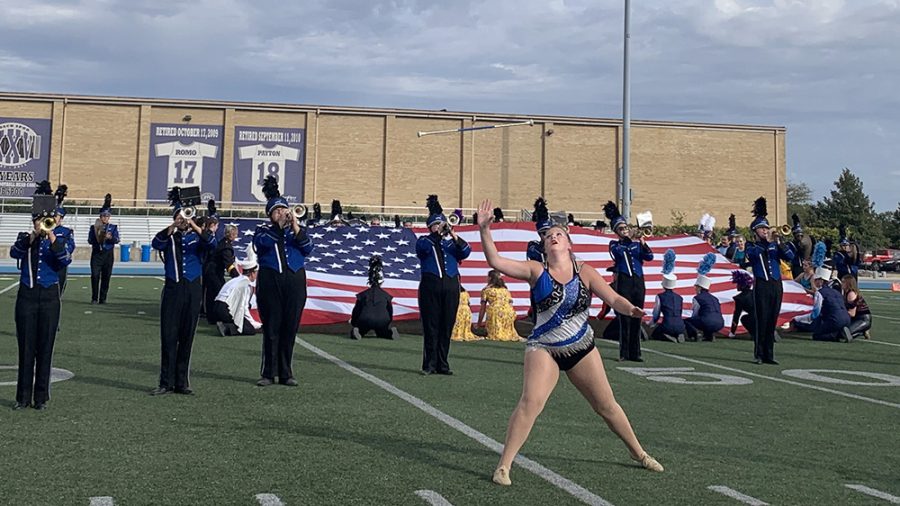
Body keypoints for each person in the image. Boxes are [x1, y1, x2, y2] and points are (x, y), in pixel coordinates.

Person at [474, 199, 663, 486]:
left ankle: (640, 453)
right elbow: (496, 262)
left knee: (606, 406)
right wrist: (485, 230)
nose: (553, 237)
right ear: (544, 245)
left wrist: (631, 309)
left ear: (569, 243)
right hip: (544, 348)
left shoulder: (584, 271)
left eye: (559, 235)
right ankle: (504, 466)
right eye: (549, 236)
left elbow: (613, 298)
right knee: (530, 403)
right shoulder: (536, 270)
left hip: (581, 346)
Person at [10, 181, 73, 410]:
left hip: (49, 297)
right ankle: (22, 397)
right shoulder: (25, 238)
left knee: (45, 348)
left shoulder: (63, 238)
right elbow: (14, 252)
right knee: (26, 348)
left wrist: (52, 236)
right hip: (26, 296)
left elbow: (64, 260)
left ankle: (41, 398)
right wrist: (34, 236)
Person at [150, 187, 217, 396]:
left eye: (185, 215)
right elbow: (156, 243)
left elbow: (212, 243)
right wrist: (173, 226)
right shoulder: (168, 237)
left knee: (187, 336)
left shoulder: (198, 238)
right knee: (169, 336)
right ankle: (165, 382)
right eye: (179, 216)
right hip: (173, 287)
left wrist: (195, 226)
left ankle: (182, 382)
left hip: (193, 288)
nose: (183, 219)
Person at [253, 176, 314, 387]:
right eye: (277, 211)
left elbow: (308, 248)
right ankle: (268, 373)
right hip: (271, 281)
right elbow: (262, 245)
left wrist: (295, 226)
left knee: (290, 327)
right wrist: (279, 227)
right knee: (271, 328)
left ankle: (286, 373)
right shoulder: (263, 230)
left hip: (295, 282)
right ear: (270, 214)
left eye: (284, 210)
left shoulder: (296, 231)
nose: (282, 213)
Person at [416, 195, 471, 375]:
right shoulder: (425, 240)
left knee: (447, 326)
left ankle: (443, 364)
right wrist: (437, 234)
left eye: (441, 224)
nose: (440, 227)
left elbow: (466, 251)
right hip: (430, 287)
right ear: (431, 226)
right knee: (431, 326)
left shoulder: (451, 244)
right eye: (436, 224)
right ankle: (429, 364)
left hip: (451, 287)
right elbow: (421, 249)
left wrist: (453, 234)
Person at [744, 197, 794, 364]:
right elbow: (754, 256)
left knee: (772, 320)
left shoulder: (775, 244)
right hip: (762, 285)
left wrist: (779, 242)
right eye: (761, 229)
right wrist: (767, 242)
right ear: (755, 231)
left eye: (766, 227)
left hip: (776, 284)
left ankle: (769, 355)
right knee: (762, 320)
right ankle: (759, 354)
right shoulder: (752, 245)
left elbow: (790, 257)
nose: (765, 231)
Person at [604, 201, 653, 362]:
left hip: (638, 282)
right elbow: (618, 253)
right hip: (624, 282)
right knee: (624, 317)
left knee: (637, 317)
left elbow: (650, 257)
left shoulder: (637, 245)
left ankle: (636, 353)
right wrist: (629, 239)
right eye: (621, 229)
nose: (625, 231)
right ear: (616, 231)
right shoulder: (615, 245)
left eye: (626, 228)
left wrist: (643, 243)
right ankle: (624, 353)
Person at [792, 266, 853, 342]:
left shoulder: (820, 293)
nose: (814, 281)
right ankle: (840, 331)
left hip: (835, 320)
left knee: (817, 335)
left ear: (821, 281)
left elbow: (815, 313)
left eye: (816, 280)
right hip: (847, 319)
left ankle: (838, 336)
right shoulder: (836, 291)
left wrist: (798, 318)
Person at [350, 256, 399, 340]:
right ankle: (390, 333)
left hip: (365, 319)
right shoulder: (386, 295)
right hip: (382, 320)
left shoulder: (363, 295)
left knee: (361, 330)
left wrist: (354, 323)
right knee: (382, 332)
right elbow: (390, 312)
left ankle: (357, 331)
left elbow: (356, 311)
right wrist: (387, 323)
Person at [214, 255, 262, 336]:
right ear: (252, 273)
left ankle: (225, 323)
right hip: (225, 309)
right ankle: (226, 328)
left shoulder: (235, 280)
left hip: (216, 306)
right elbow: (243, 307)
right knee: (249, 329)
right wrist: (254, 324)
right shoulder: (245, 285)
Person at [205, 216, 238, 325]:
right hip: (214, 272)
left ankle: (211, 316)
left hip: (212, 271)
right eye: (235, 234)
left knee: (212, 293)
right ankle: (215, 316)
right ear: (231, 234)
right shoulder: (226, 247)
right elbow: (228, 264)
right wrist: (237, 277)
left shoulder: (223, 242)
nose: (236, 236)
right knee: (218, 293)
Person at [684, 253, 725, 342]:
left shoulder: (698, 298)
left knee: (688, 321)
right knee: (705, 319)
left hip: (707, 322)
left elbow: (695, 313)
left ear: (699, 287)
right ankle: (709, 335)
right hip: (720, 323)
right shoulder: (714, 298)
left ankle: (695, 334)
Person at [88, 193, 119, 304]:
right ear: (100, 216)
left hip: (108, 254)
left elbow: (117, 240)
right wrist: (98, 236)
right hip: (97, 254)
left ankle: (103, 298)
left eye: (107, 216)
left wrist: (109, 238)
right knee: (95, 276)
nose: (105, 218)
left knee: (106, 276)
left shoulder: (113, 227)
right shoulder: (94, 227)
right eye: (103, 216)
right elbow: (90, 240)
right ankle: (94, 298)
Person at [649, 249, 685, 343]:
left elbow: (656, 314)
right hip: (680, 325)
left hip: (667, 324)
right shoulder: (679, 298)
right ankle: (678, 334)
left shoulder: (660, 296)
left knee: (655, 333)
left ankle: (667, 336)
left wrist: (651, 323)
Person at [477, 270, 522, 342]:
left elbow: (483, 309)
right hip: (509, 314)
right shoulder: (505, 290)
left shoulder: (486, 290)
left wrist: (479, 324)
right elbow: (510, 304)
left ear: (490, 278)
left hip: (496, 314)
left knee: (494, 310)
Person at [53, 185, 75, 299]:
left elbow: (71, 246)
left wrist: (62, 252)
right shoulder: (45, 230)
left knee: (60, 286)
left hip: (60, 261)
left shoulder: (66, 231)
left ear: (61, 218)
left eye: (57, 216)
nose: (54, 218)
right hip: (49, 261)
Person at [842, 275, 872, 339]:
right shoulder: (845, 293)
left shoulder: (851, 294)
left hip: (863, 319)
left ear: (848, 284)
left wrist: (840, 311)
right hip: (856, 318)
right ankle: (862, 330)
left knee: (845, 334)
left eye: (843, 282)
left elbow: (852, 313)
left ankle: (862, 331)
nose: (842, 284)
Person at [729, 270, 756, 338]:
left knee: (744, 318)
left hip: (754, 318)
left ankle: (755, 334)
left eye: (738, 284)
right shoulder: (755, 293)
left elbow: (736, 316)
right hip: (765, 316)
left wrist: (732, 331)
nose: (737, 286)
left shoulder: (740, 298)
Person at [789, 213, 813, 278]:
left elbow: (802, 245)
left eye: (800, 235)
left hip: (800, 265)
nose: (799, 237)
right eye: (797, 235)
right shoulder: (794, 241)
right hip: (795, 265)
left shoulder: (802, 242)